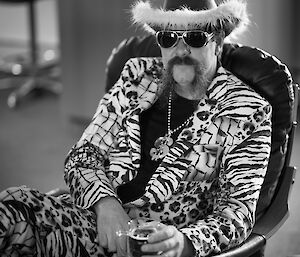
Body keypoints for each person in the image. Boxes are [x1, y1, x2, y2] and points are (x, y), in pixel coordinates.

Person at [0, 0, 273, 256]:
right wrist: (105, 204)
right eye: (168, 39)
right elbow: (83, 155)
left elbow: (235, 214)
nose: (180, 52)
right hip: (93, 221)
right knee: (13, 209)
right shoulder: (137, 76)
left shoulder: (247, 109)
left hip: (157, 244)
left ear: (217, 42)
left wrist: (183, 243)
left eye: (195, 38)